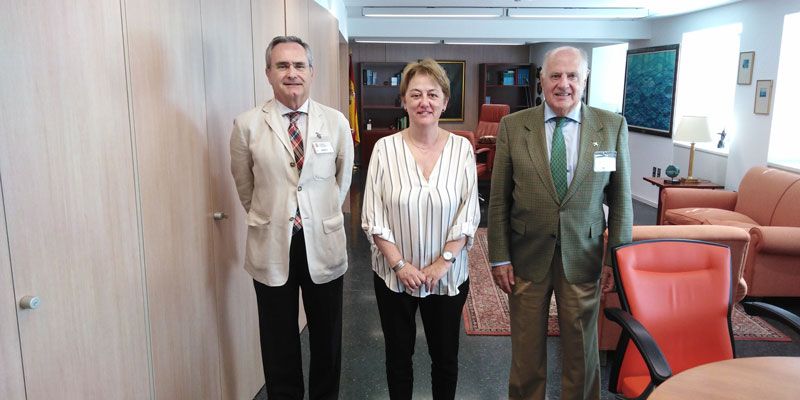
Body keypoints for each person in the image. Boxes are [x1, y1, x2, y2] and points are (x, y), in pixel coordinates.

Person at [487, 46, 632, 400]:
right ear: (541, 80)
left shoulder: (611, 126)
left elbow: (621, 200)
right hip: (526, 256)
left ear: (585, 80)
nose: (563, 84)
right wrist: (499, 257)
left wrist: (615, 260)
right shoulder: (513, 126)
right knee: (526, 352)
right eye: (555, 75)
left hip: (583, 254)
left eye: (572, 76)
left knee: (582, 352)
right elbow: (499, 199)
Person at [229, 35, 353, 400]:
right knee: (278, 340)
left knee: (327, 339)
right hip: (271, 243)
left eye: (299, 65)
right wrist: (275, 215)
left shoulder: (335, 122)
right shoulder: (247, 125)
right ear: (268, 73)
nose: (291, 73)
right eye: (282, 65)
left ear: (312, 72)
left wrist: (316, 214)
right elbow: (245, 187)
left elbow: (342, 181)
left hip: (323, 241)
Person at [361, 58, 480, 400]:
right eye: (415, 94)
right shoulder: (385, 149)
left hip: (447, 276)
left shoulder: (461, 149)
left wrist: (443, 263)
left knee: (445, 359)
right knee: (398, 358)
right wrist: (400, 265)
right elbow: (373, 215)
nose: (424, 102)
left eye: (432, 94)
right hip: (393, 275)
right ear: (404, 101)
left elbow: (468, 213)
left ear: (445, 101)